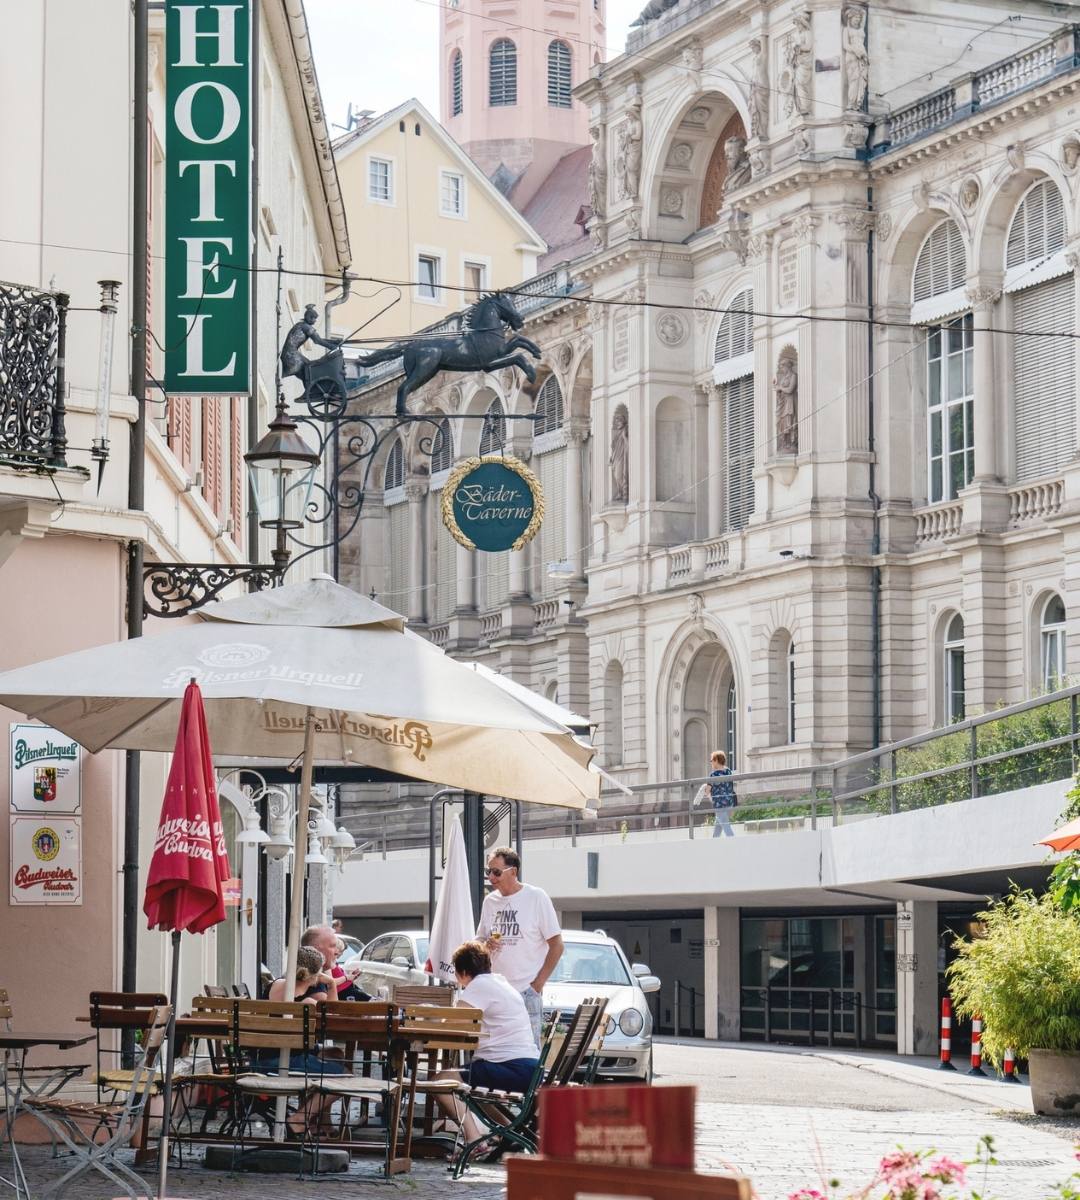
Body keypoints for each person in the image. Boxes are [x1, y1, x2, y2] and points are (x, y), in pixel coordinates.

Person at [433, 941, 540, 1144]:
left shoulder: (479, 985)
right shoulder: (500, 982)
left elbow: (453, 1022)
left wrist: (431, 1018)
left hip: (512, 1067)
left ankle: (474, 1139)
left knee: (441, 1081)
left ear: (463, 972)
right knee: (476, 1090)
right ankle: (510, 1134)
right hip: (528, 1068)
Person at [477, 847, 562, 1047]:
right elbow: (478, 943)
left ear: (513, 872)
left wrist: (537, 985)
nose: (491, 877)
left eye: (496, 872)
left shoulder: (536, 897)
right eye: (488, 872)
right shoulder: (490, 902)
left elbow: (557, 945)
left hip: (526, 991)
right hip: (496, 992)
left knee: (527, 1053)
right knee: (495, 1051)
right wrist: (486, 945)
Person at [262, 947, 345, 1138]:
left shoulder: (274, 986)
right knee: (344, 1078)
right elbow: (333, 1016)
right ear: (316, 976)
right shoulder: (310, 1003)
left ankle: (310, 1118)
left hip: (259, 1060)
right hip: (288, 1062)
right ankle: (299, 1119)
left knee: (333, 1056)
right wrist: (332, 984)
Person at [705, 749, 737, 838]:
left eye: (712, 760)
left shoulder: (713, 775)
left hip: (719, 805)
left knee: (727, 828)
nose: (711, 763)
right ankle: (714, 844)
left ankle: (735, 844)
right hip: (729, 803)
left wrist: (708, 794)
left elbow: (707, 791)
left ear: (716, 760)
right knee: (718, 827)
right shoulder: (728, 772)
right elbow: (731, 787)